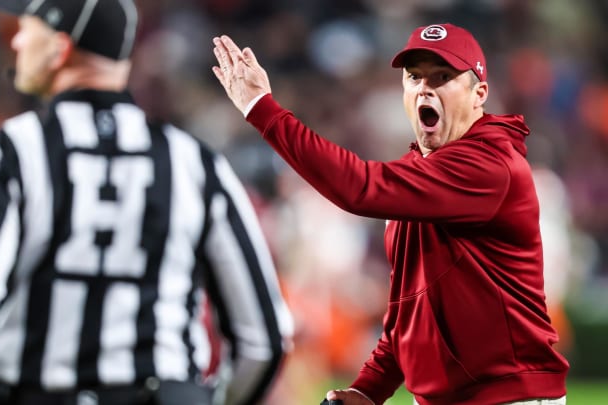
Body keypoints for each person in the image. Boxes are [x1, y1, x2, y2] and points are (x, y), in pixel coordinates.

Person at [0, 1, 293, 404]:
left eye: (27, 28)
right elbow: (265, 339)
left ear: (59, 48)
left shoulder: (10, 153)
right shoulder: (194, 164)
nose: (17, 40)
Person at [212, 22, 569, 405]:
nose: (425, 88)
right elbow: (409, 311)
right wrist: (369, 389)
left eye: (443, 76)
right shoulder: (420, 179)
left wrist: (263, 111)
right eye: (414, 76)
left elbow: (359, 188)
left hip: (508, 398)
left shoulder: (490, 165)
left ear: (479, 93)